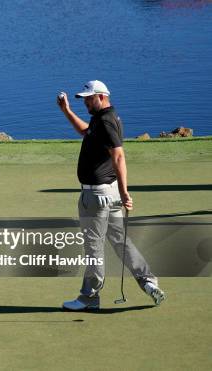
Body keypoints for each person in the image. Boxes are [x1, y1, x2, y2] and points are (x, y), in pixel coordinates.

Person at [56, 80, 166, 311]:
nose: (85, 101)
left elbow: (119, 157)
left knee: (93, 249)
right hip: (109, 194)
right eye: (84, 98)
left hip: (96, 197)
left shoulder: (105, 121)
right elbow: (86, 132)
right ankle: (148, 282)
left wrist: (126, 192)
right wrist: (67, 110)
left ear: (102, 96)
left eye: (89, 98)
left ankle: (89, 298)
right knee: (120, 241)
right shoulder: (105, 117)